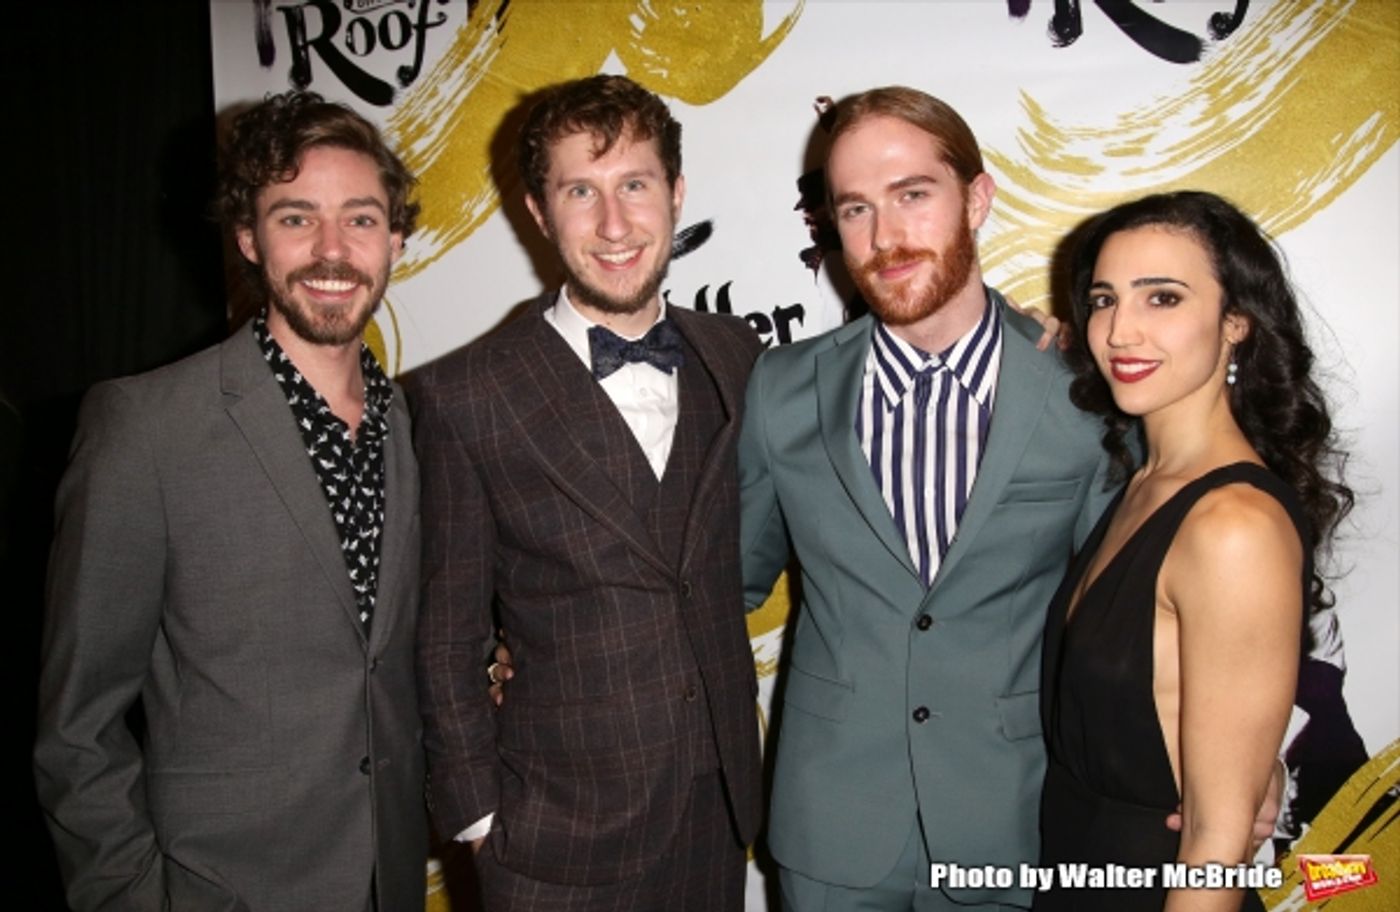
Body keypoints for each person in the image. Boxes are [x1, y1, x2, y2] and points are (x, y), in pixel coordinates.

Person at [33, 91, 427, 912]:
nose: (331, 250)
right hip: (221, 891)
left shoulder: (418, 427)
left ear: (395, 237)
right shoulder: (144, 427)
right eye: (295, 218)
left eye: (359, 219)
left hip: (390, 881)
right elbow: (77, 727)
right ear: (248, 236)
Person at [738, 85, 1118, 911]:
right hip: (831, 826)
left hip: (1016, 823)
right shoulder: (780, 389)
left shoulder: (1082, 394)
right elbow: (720, 582)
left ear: (976, 198)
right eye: (855, 209)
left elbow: (1125, 618)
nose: (886, 238)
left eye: (913, 195)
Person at [408, 74, 763, 911]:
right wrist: (481, 824)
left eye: (634, 185)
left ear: (675, 193)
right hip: (550, 843)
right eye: (580, 191)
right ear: (539, 212)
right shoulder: (464, 397)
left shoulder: (741, 356)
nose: (614, 225)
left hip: (716, 813)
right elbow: (443, 636)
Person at [1034, 190, 1353, 911]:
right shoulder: (1146, 484)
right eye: (1104, 299)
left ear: (1236, 322)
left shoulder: (1233, 525)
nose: (1120, 331)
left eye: (1164, 299)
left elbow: (1216, 839)